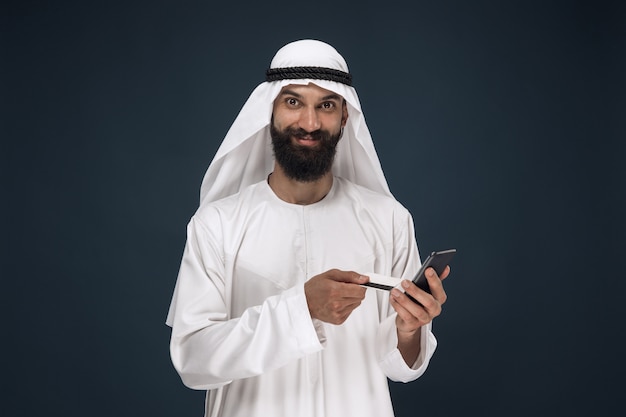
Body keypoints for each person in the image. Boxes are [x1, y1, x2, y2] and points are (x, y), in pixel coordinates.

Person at [166, 39, 451, 417]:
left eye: (326, 106)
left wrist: (410, 329)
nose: (310, 123)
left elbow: (399, 366)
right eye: (294, 102)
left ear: (345, 116)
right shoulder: (217, 224)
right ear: (270, 110)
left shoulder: (389, 219)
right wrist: (301, 308)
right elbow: (193, 360)